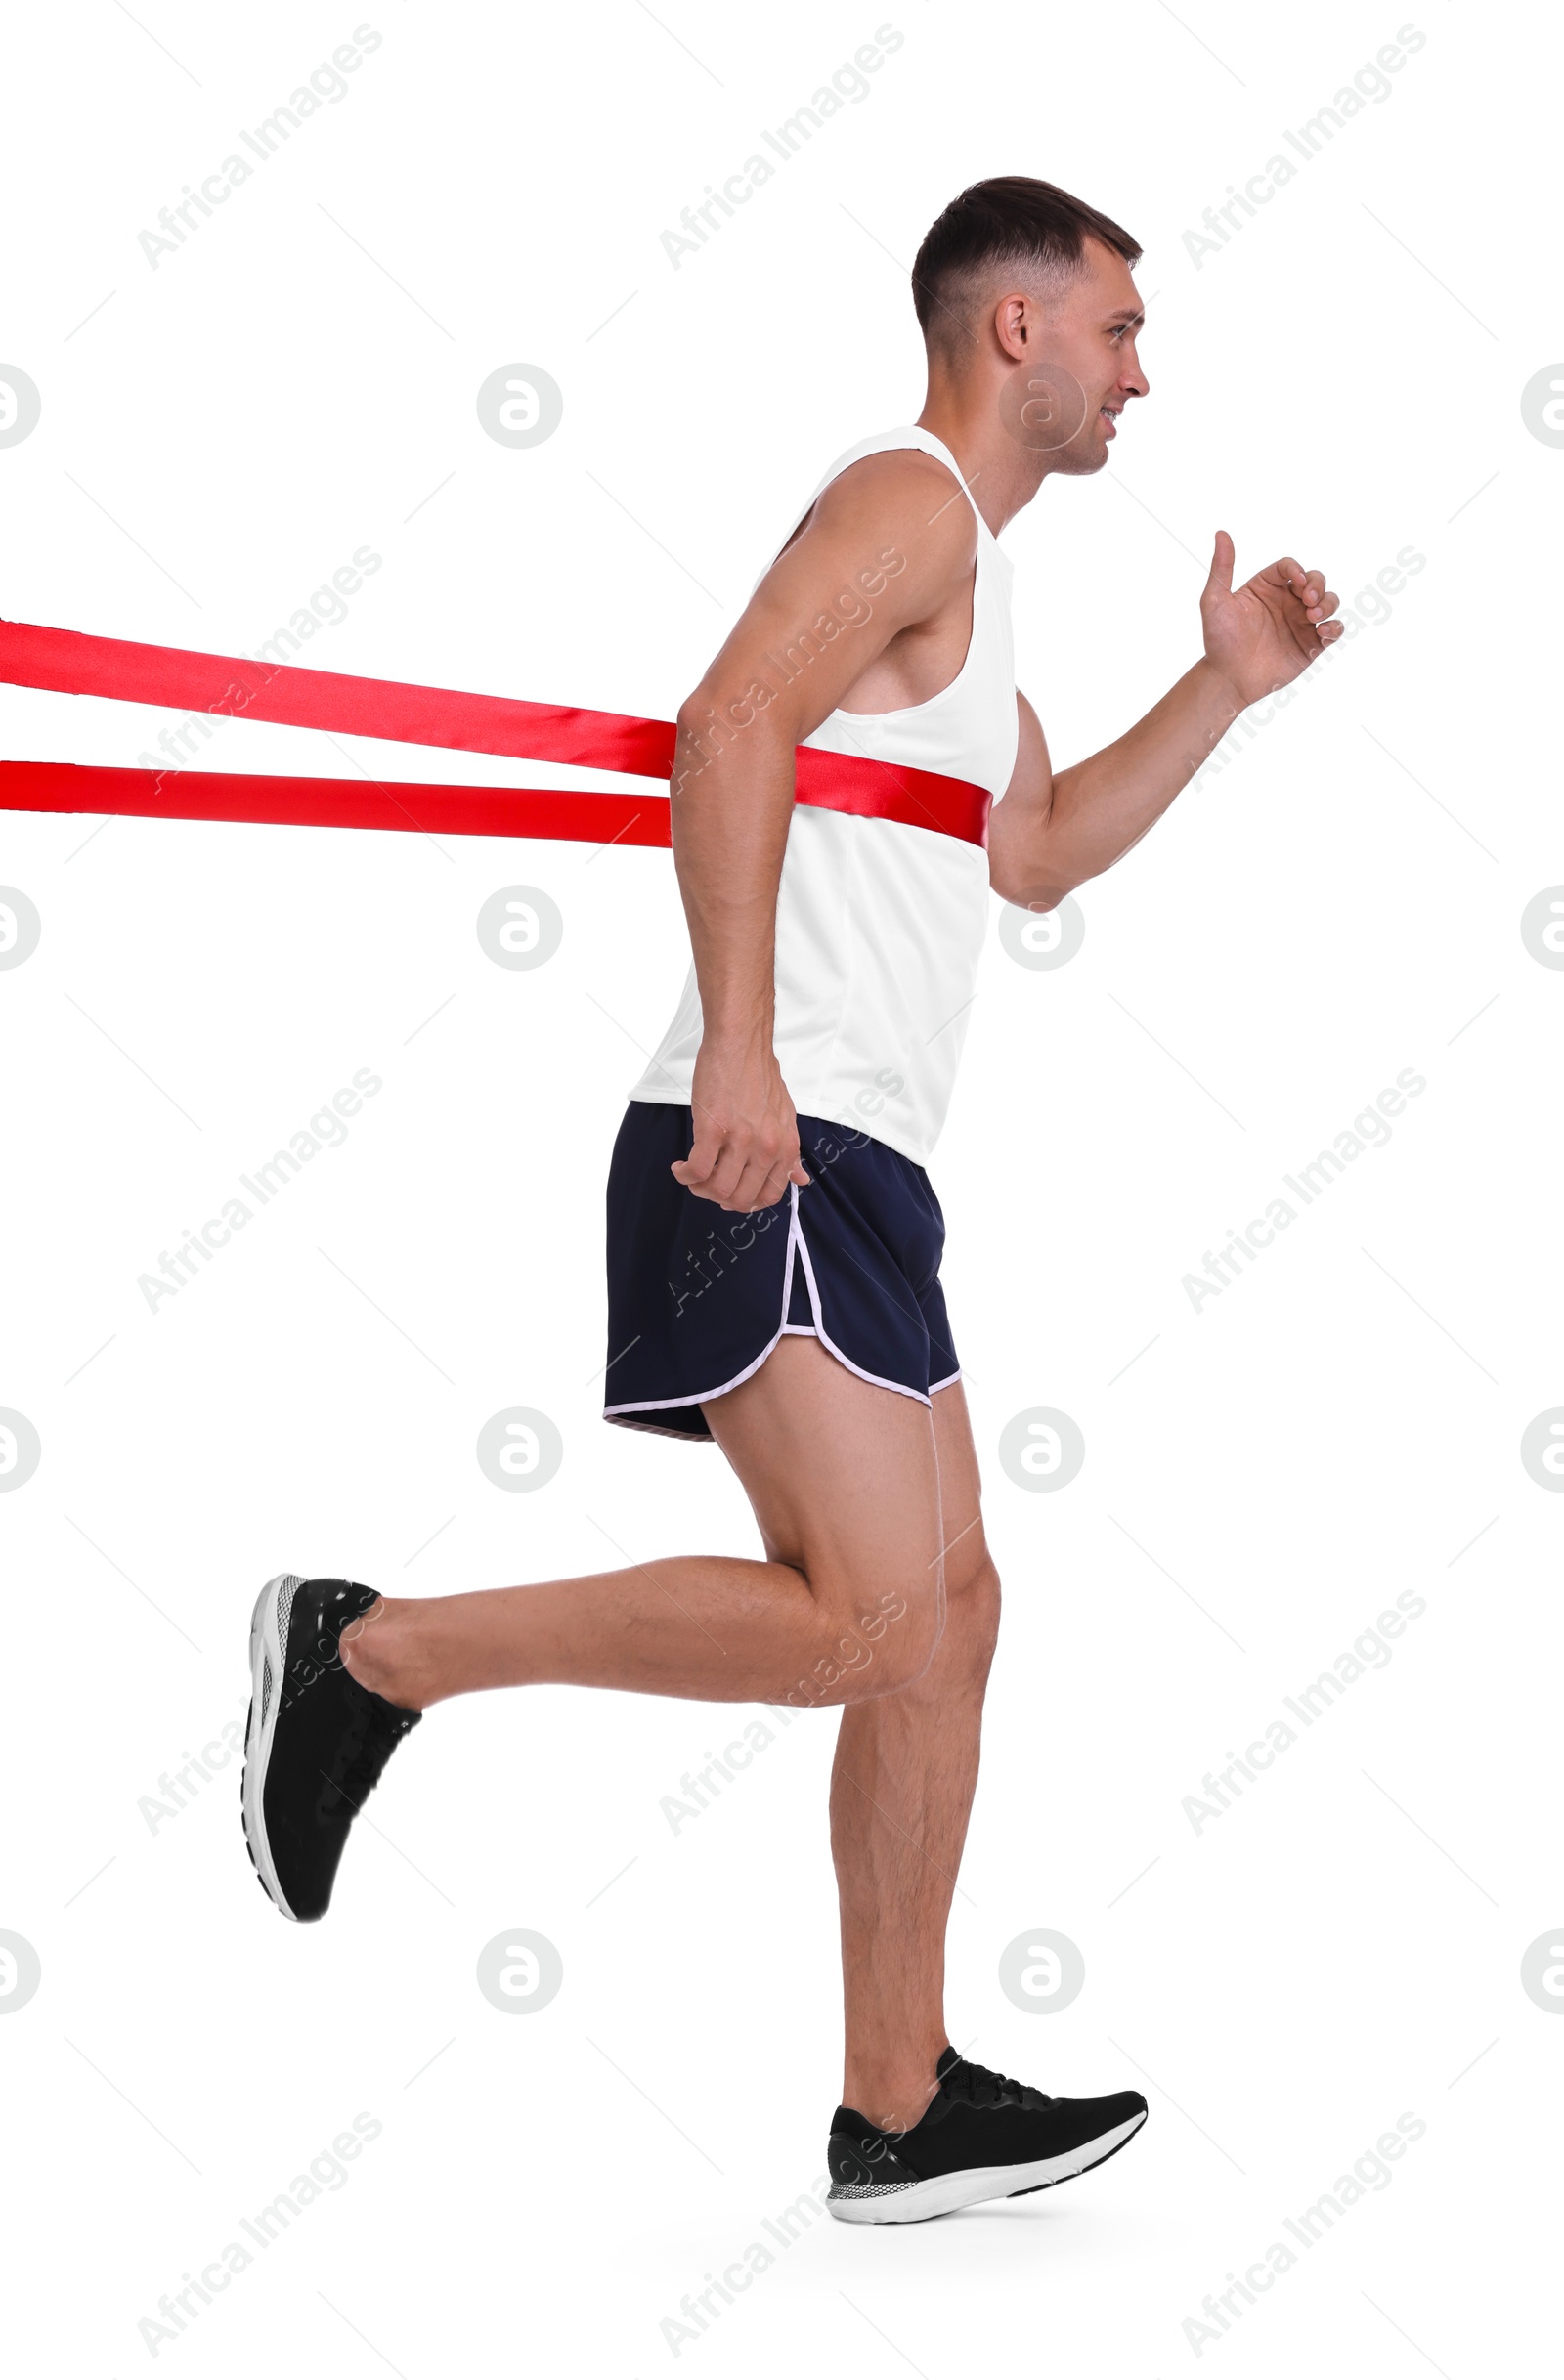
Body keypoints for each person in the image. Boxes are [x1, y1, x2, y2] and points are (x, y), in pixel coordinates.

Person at [240, 175, 1341, 2223]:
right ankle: (368, 1654)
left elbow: (1026, 854)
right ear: (1011, 328)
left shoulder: (978, 607)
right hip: (771, 1126)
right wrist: (739, 1046)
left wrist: (1222, 687)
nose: (1135, 368)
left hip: (864, 1163)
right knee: (865, 1617)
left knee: (949, 1618)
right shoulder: (904, 496)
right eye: (1113, 327)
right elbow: (728, 714)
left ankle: (898, 2103)